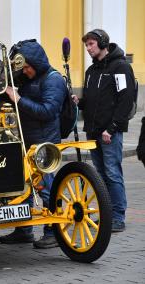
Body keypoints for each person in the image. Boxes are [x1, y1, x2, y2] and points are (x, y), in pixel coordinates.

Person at [0, 40, 66, 249]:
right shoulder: (29, 77)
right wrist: (4, 74)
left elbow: (47, 111)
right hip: (27, 140)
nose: (25, 71)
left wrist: (18, 99)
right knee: (23, 186)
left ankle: (53, 232)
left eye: (27, 67)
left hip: (45, 143)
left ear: (36, 63)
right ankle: (24, 229)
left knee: (47, 188)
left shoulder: (53, 80)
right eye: (23, 67)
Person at [72, 29, 135, 233]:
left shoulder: (120, 67)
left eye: (91, 44)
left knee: (112, 173)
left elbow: (125, 100)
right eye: (86, 45)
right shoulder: (92, 71)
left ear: (103, 43)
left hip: (110, 132)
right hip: (93, 131)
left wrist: (113, 127)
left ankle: (118, 217)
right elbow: (92, 101)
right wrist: (79, 103)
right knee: (100, 175)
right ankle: (107, 216)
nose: (88, 49)